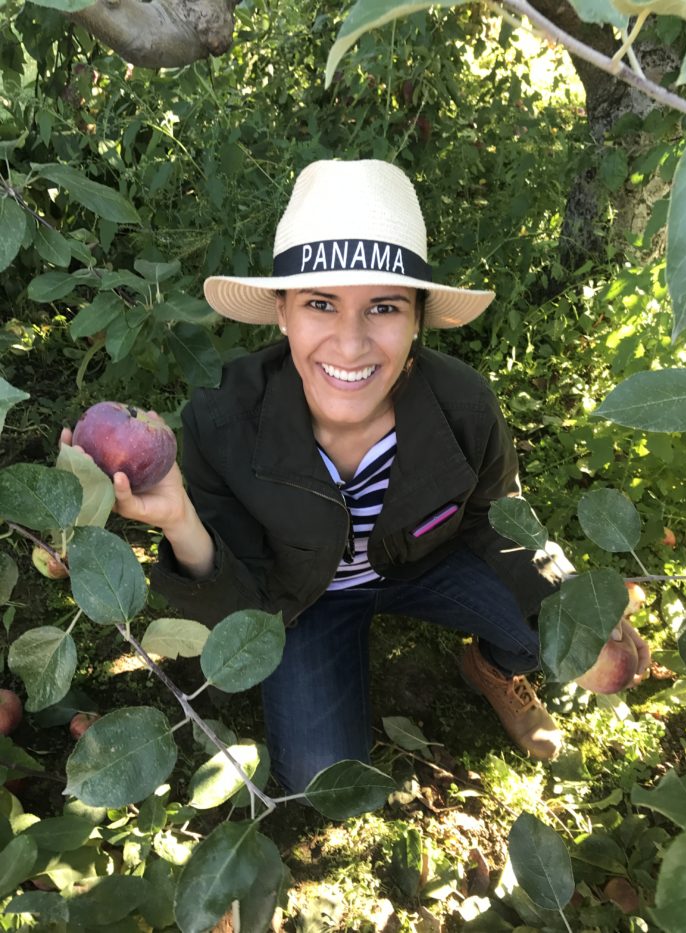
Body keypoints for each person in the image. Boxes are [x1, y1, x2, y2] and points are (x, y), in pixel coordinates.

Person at [64, 160, 650, 793]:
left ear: (418, 318)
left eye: (383, 307)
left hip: (426, 564)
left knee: (548, 637)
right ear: (282, 312)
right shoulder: (223, 422)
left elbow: (498, 513)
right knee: (324, 779)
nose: (350, 344)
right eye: (321, 303)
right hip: (302, 602)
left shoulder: (462, 406)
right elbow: (244, 613)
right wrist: (180, 519)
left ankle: (491, 669)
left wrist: (570, 602)